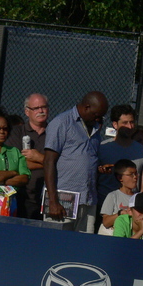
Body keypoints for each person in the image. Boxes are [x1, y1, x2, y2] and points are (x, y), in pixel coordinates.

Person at [43, 91, 109, 232]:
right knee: (57, 245)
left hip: (88, 198)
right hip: (62, 199)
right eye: (96, 115)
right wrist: (53, 201)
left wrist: (99, 168)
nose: (99, 119)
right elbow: (48, 161)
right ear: (86, 107)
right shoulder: (62, 123)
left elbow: (84, 159)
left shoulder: (96, 128)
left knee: (82, 247)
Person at [7, 93, 49, 219]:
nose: (41, 111)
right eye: (36, 108)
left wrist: (38, 157)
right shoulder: (16, 132)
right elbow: (16, 164)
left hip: (48, 198)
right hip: (22, 198)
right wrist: (48, 162)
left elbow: (62, 164)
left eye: (44, 107)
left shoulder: (56, 133)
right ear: (27, 112)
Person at [97, 104, 143, 199]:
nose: (130, 127)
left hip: (130, 207)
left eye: (132, 122)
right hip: (103, 204)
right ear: (115, 125)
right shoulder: (102, 148)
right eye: (125, 123)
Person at [98, 159, 137, 234]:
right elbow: (106, 222)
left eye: (136, 173)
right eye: (131, 174)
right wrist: (120, 213)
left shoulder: (139, 198)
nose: (135, 177)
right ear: (120, 178)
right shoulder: (113, 196)